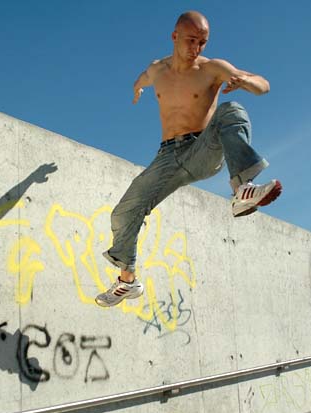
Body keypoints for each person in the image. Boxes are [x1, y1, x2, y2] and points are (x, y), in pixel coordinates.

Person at [95, 11, 282, 307]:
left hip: (202, 150)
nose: (197, 48)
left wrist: (246, 82)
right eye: (192, 40)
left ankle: (242, 189)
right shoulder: (157, 70)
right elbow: (141, 79)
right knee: (122, 212)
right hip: (167, 157)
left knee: (232, 110)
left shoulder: (212, 68)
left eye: (203, 42)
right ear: (175, 37)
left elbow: (264, 85)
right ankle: (127, 281)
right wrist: (137, 88)